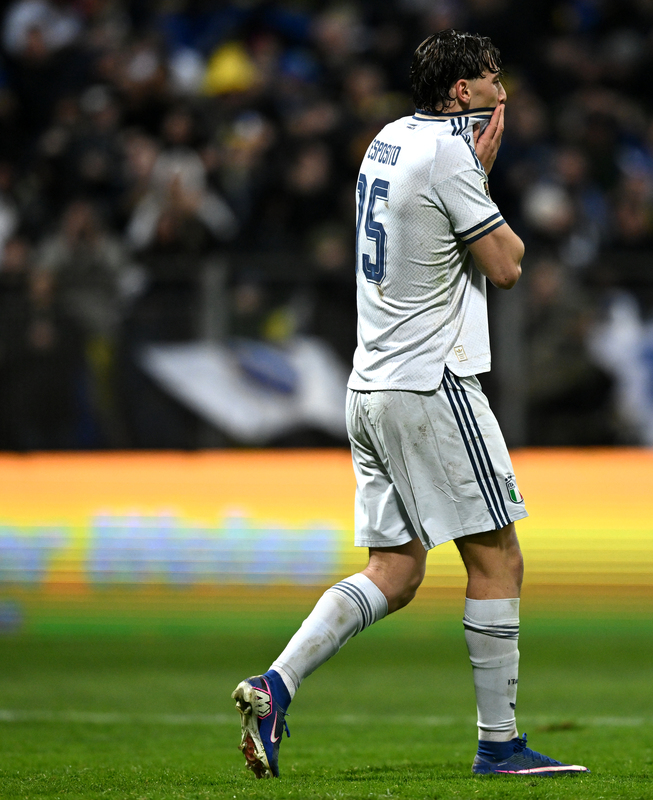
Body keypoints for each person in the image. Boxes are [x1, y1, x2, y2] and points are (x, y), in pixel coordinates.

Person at [232, 30, 588, 779]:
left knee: (395, 570)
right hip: (431, 384)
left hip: (370, 388)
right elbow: (510, 266)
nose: (502, 87)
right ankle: (499, 745)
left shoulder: (387, 140)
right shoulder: (450, 155)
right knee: (498, 559)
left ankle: (275, 685)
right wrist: (482, 179)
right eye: (492, 76)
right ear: (462, 92)